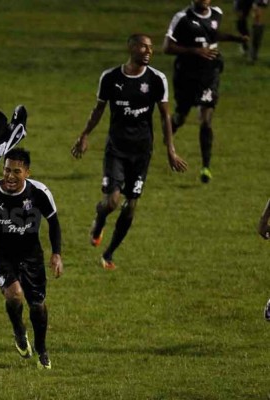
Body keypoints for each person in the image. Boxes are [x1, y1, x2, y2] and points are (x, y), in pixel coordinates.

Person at [71, 34, 187, 270]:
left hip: (142, 152)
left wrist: (171, 150)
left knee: (131, 206)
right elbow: (98, 110)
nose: (148, 51)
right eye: (144, 46)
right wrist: (84, 134)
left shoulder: (157, 79)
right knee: (112, 201)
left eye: (151, 48)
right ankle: (100, 219)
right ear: (131, 47)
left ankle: (109, 254)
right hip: (116, 149)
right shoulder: (111, 78)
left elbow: (165, 115)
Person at [0, 146, 63, 370]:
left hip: (31, 255)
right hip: (0, 255)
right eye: (7, 170)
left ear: (27, 172)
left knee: (37, 305)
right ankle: (19, 330)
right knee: (14, 294)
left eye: (16, 171)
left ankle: (42, 347)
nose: (10, 176)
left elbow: (53, 222)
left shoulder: (39, 192)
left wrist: (56, 253)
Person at [163, 0, 248, 183]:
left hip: (209, 74)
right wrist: (195, 51)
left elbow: (212, 34)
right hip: (186, 74)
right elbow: (167, 47)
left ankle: (206, 167)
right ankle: (165, 138)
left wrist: (235, 38)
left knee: (206, 119)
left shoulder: (217, 13)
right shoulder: (182, 18)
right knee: (181, 115)